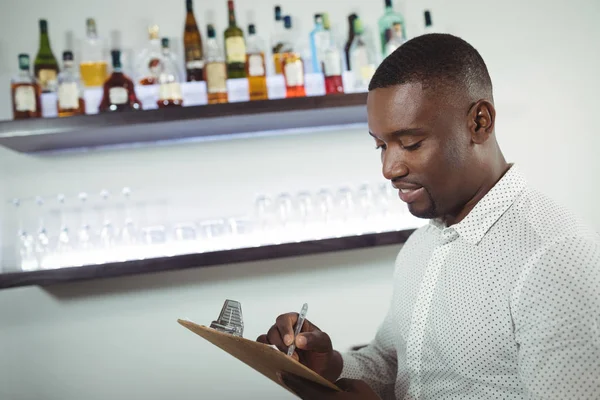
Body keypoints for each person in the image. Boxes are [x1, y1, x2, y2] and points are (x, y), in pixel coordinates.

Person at [257, 33, 600, 399]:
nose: (389, 168)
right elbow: (395, 364)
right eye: (381, 145)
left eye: (411, 143)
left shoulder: (557, 258)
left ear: (479, 123)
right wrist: (332, 364)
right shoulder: (421, 245)